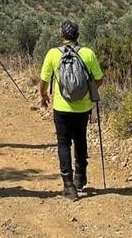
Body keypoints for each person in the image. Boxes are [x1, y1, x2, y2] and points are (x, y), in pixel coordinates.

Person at [39, 20, 104, 201]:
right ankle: (80, 177)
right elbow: (99, 79)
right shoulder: (88, 53)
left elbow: (44, 81)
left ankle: (68, 185)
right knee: (80, 139)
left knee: (63, 143)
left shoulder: (53, 54)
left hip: (61, 107)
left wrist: (43, 96)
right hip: (83, 107)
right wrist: (88, 92)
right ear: (77, 35)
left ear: (62, 35)